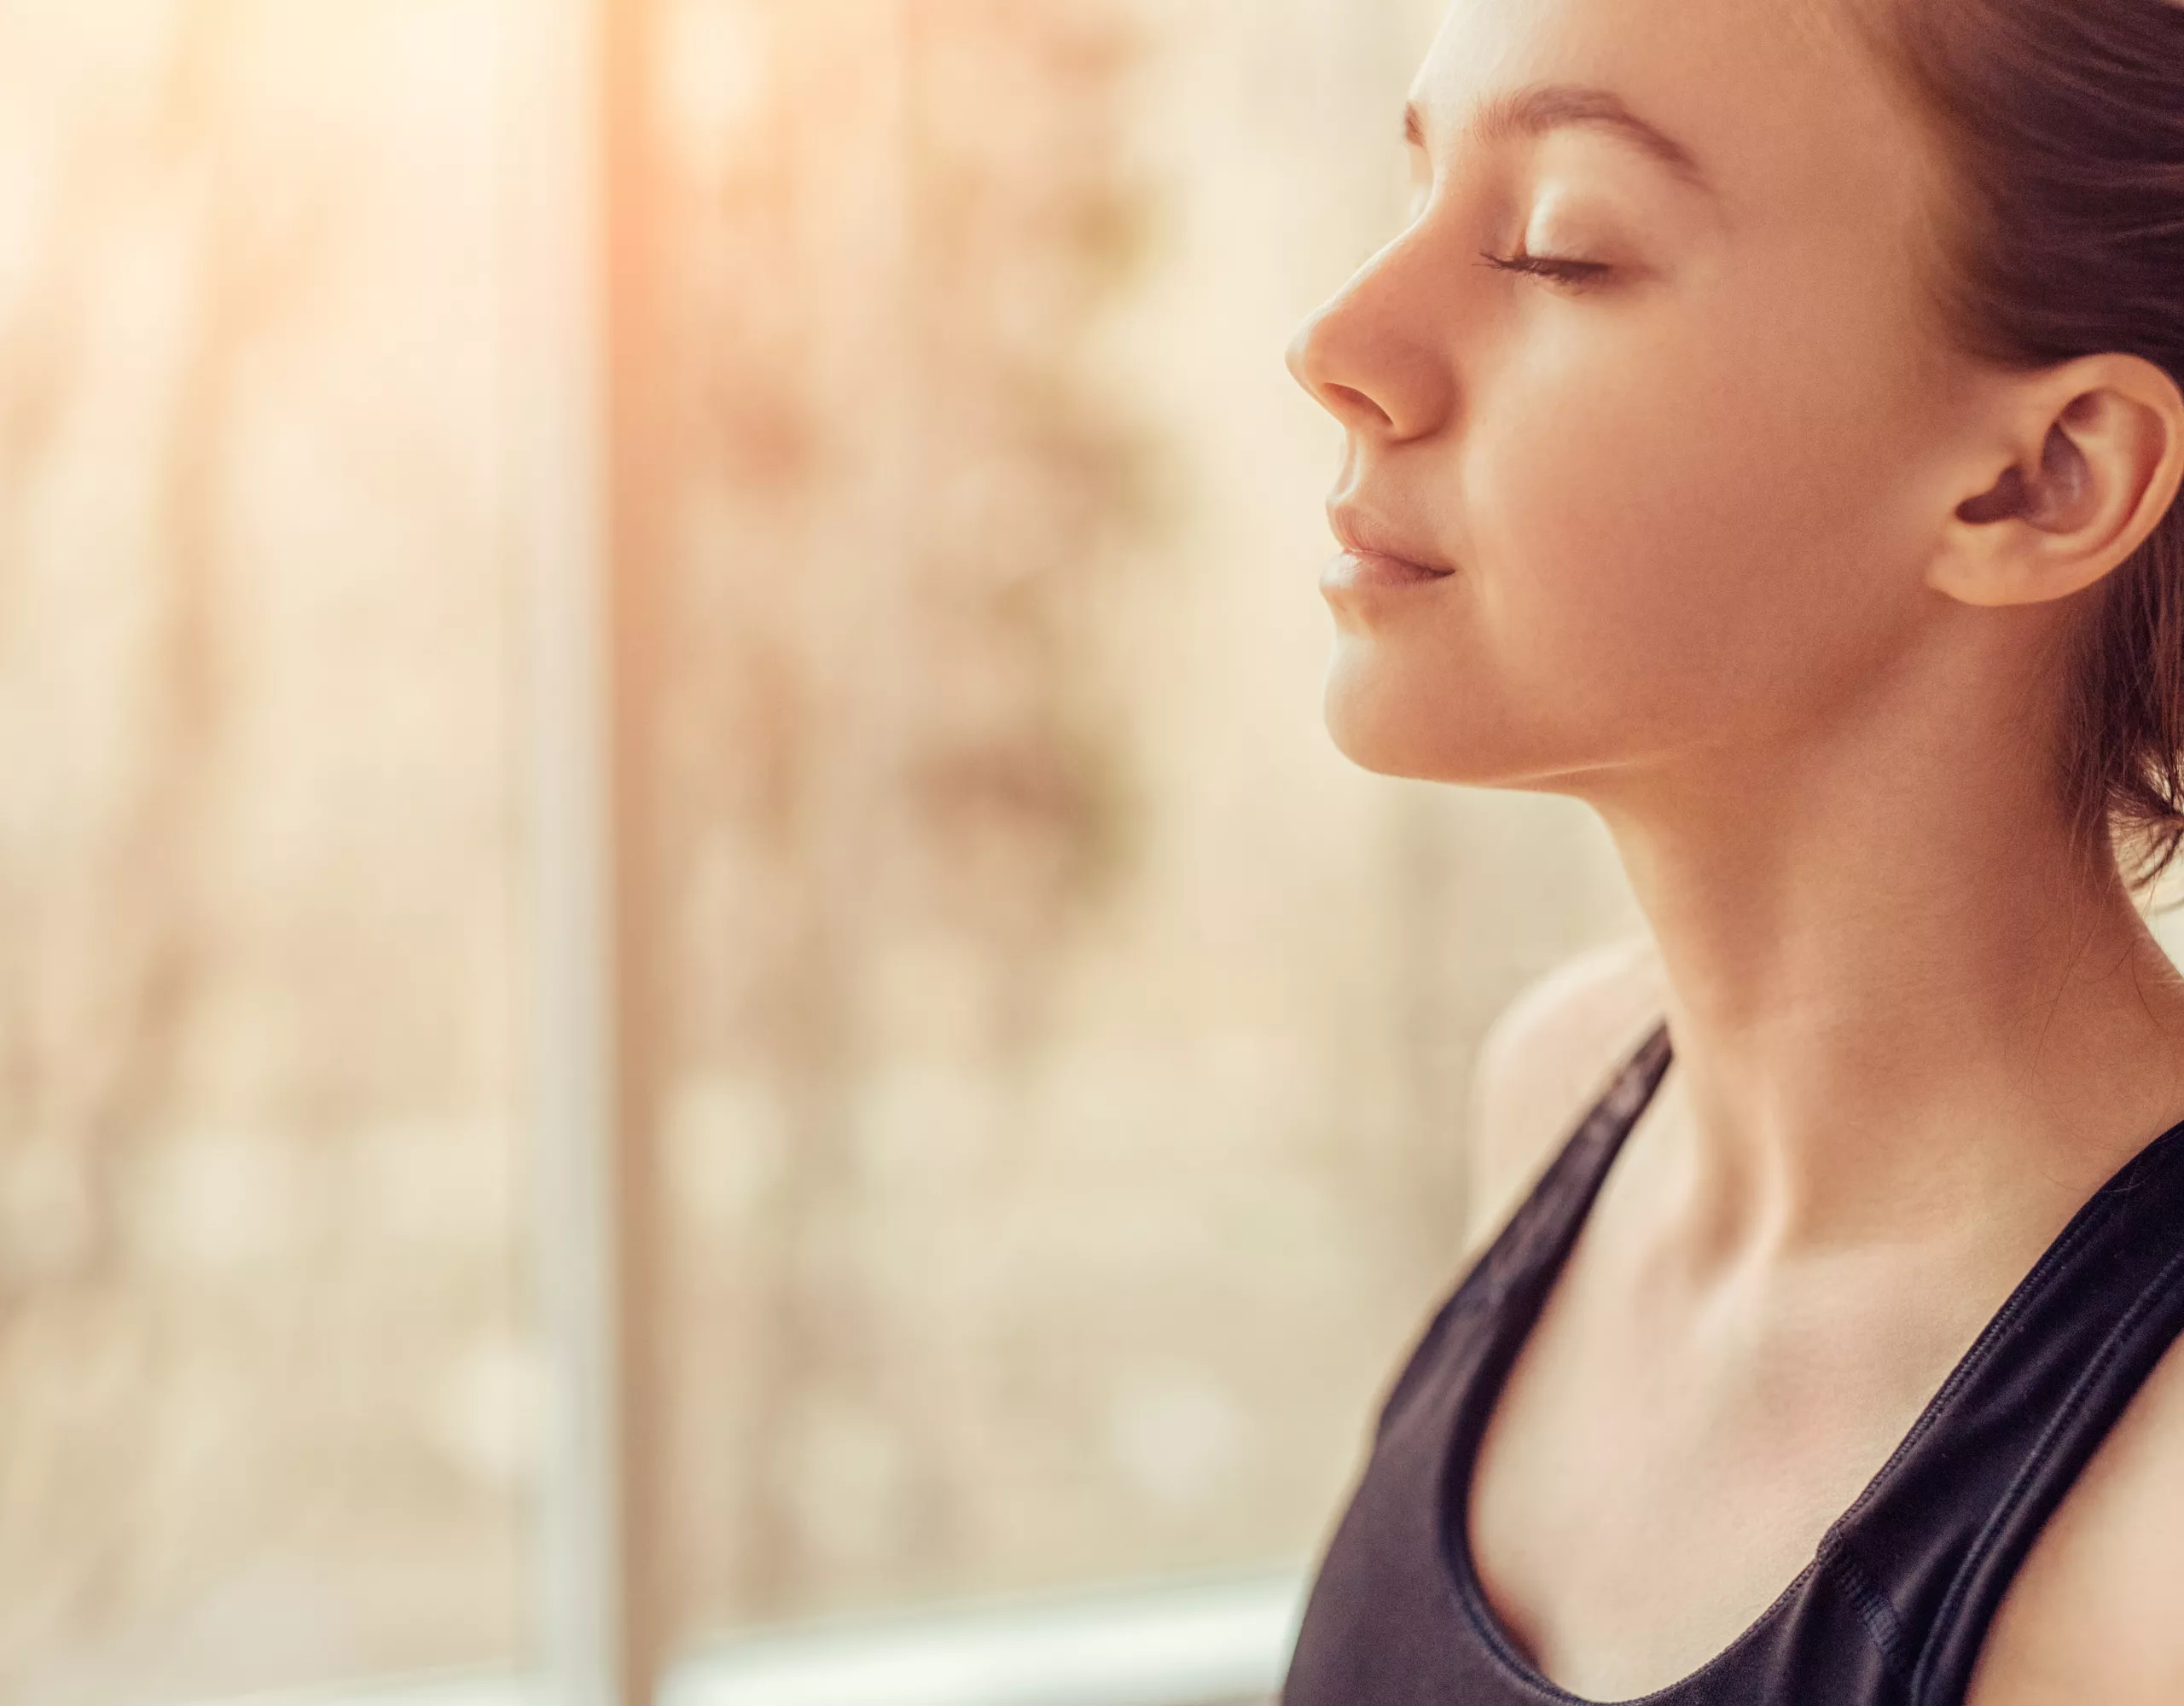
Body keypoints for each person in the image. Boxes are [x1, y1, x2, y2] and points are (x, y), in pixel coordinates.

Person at [1276, 0, 2184, 1699]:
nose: (1336, 339)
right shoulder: (1558, 1091)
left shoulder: (2157, 1528)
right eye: (1409, 189)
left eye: (1558, 248)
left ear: (2040, 480)